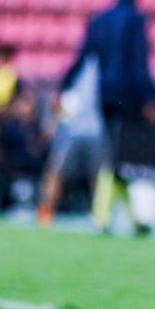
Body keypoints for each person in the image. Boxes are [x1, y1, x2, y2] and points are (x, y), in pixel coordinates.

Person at [61, 0, 155, 235]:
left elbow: (81, 58)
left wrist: (63, 86)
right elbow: (139, 64)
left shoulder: (100, 19)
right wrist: (149, 100)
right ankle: (101, 217)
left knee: (118, 155)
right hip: (129, 98)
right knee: (117, 158)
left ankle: (134, 220)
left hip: (105, 96)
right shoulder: (137, 19)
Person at [36, 54, 105, 226]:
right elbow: (57, 101)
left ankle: (99, 216)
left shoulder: (82, 68)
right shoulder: (84, 68)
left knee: (97, 177)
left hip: (92, 131)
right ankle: (46, 212)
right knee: (57, 173)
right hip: (78, 131)